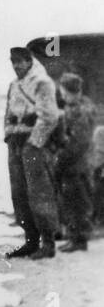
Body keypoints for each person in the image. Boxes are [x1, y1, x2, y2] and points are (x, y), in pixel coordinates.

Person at [4, 46, 62, 259]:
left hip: (33, 143)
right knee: (19, 193)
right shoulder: (13, 85)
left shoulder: (42, 82)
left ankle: (48, 243)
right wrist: (8, 135)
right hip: (16, 142)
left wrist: (34, 142)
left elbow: (50, 116)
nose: (16, 65)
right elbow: (8, 112)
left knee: (40, 193)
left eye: (20, 61)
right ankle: (30, 241)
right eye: (13, 62)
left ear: (29, 62)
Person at [55, 73, 96, 252]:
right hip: (75, 163)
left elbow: (78, 142)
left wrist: (60, 159)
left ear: (69, 90)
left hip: (77, 164)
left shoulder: (82, 110)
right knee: (71, 201)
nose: (62, 95)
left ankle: (79, 240)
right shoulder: (77, 106)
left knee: (77, 202)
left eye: (63, 91)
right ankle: (74, 237)